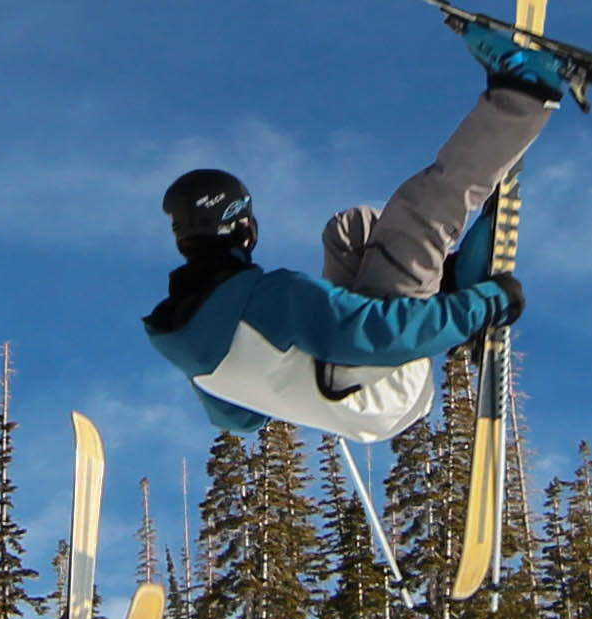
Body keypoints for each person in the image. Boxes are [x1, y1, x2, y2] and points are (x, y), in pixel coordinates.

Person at [143, 25, 568, 443]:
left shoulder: (186, 338)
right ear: (244, 227)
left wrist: (295, 380)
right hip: (386, 380)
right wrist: (485, 305)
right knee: (421, 210)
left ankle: (447, 277)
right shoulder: (271, 299)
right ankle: (526, 93)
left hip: (359, 397)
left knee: (352, 229)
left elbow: (239, 420)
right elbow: (379, 334)